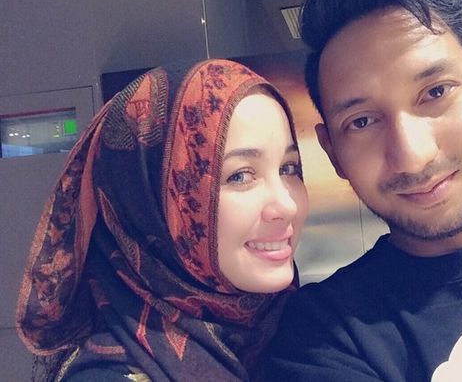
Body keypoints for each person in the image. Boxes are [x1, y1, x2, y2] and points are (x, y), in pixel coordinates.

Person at [264, 0, 462, 381]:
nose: (412, 157)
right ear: (333, 152)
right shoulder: (321, 337)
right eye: (362, 121)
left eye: (435, 92)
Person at [15, 59, 308, 381]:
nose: (287, 205)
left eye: (289, 168)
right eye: (240, 175)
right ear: (150, 207)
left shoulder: (300, 330)